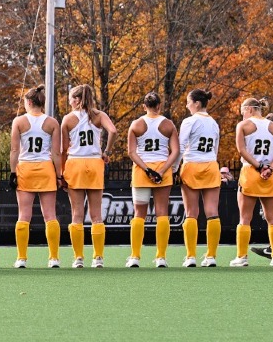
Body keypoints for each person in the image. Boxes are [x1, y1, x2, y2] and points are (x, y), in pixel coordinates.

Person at [58, 84, 116, 269]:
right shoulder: (99, 115)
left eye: (71, 98)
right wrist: (106, 151)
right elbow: (113, 131)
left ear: (77, 100)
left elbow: (64, 149)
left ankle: (78, 258)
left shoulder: (68, 119)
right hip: (94, 163)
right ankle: (98, 257)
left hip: (75, 163)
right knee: (96, 215)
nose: (69, 102)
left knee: (77, 214)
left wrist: (61, 173)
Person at [9, 85, 61, 269]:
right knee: (50, 216)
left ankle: (21, 258)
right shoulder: (52, 122)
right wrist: (59, 174)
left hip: (26, 169)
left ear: (29, 102)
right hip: (45, 169)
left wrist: (13, 172)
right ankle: (53, 258)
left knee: (24, 215)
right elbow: (56, 153)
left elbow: (15, 149)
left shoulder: (19, 121)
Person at [126, 92, 178, 269]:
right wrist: (161, 170)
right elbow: (176, 151)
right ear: (159, 105)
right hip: (162, 170)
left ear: (144, 106)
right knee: (162, 213)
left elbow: (132, 152)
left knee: (139, 214)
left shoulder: (136, 124)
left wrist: (147, 169)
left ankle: (135, 256)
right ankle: (161, 257)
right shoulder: (168, 124)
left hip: (142, 171)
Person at [232, 97, 273, 267]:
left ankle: (242, 257)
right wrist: (270, 168)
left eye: (242, 111)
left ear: (249, 109)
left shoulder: (243, 126)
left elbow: (241, 150)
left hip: (250, 172)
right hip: (269, 176)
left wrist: (258, 166)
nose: (242, 116)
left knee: (245, 218)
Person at [176, 89, 223, 268]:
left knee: (191, 213)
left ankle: (191, 256)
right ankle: (211, 256)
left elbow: (180, 147)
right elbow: (216, 149)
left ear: (196, 103)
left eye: (188, 102)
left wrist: (174, 168)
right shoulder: (214, 123)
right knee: (212, 212)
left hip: (192, 166)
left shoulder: (189, 121)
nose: (187, 105)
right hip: (210, 165)